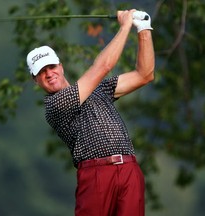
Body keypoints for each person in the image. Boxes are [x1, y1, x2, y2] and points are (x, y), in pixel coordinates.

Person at [26, 9, 154, 216]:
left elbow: (144, 74)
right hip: (96, 175)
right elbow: (103, 66)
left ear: (61, 66)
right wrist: (125, 27)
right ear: (35, 80)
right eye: (41, 72)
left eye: (51, 67)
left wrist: (144, 28)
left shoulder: (99, 90)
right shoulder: (55, 104)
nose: (49, 74)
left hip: (129, 169)